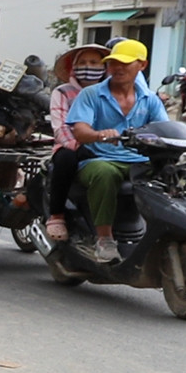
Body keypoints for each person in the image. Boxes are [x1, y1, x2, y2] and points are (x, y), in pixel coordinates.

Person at [62, 39, 168, 262]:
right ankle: (104, 239)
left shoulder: (150, 99)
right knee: (104, 173)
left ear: (142, 65)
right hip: (99, 159)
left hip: (139, 161)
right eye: (113, 63)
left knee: (170, 174)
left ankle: (161, 235)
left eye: (125, 63)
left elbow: (164, 129)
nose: (117, 68)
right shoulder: (91, 94)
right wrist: (99, 134)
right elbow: (80, 131)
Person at [42, 44, 109, 241]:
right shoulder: (62, 92)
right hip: (70, 145)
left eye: (94, 62)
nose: (88, 66)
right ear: (74, 66)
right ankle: (57, 215)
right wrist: (77, 145)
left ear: (104, 67)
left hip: (105, 146)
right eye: (83, 62)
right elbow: (60, 127)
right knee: (66, 160)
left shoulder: (112, 92)